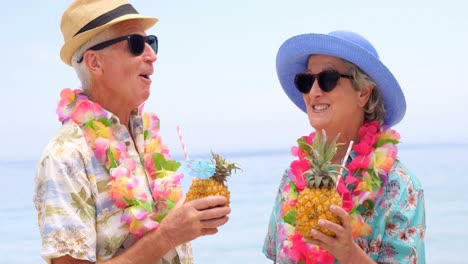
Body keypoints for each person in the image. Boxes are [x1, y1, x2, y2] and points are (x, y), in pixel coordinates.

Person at [33, 0, 231, 263]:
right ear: (95, 62)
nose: (152, 55)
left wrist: (192, 219)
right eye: (136, 45)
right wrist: (167, 236)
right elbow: (164, 237)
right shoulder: (66, 155)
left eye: (152, 42)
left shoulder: (144, 139)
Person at [263, 30, 425, 263]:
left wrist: (349, 253)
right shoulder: (294, 177)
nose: (314, 92)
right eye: (306, 81)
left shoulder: (401, 187)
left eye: (328, 79)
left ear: (363, 92)